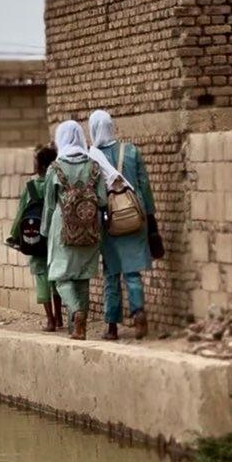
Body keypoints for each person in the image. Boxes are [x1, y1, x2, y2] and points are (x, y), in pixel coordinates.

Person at [88, 110, 156, 341]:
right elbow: (144, 186)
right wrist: (150, 219)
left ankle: (112, 327)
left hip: (109, 223)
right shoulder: (131, 151)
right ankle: (138, 315)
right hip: (135, 219)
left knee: (111, 275)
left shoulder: (92, 158)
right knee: (132, 272)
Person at [41, 121, 107, 340]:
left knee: (60, 277)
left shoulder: (55, 168)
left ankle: (77, 313)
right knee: (82, 279)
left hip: (63, 228)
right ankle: (79, 329)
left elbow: (50, 204)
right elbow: (103, 199)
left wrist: (44, 231)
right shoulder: (94, 166)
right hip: (89, 227)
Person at [14, 145, 64, 332]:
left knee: (42, 280)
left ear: (41, 166)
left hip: (35, 241)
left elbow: (21, 213)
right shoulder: (57, 182)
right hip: (53, 238)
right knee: (56, 279)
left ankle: (50, 321)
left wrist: (15, 236)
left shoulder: (31, 187)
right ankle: (59, 318)